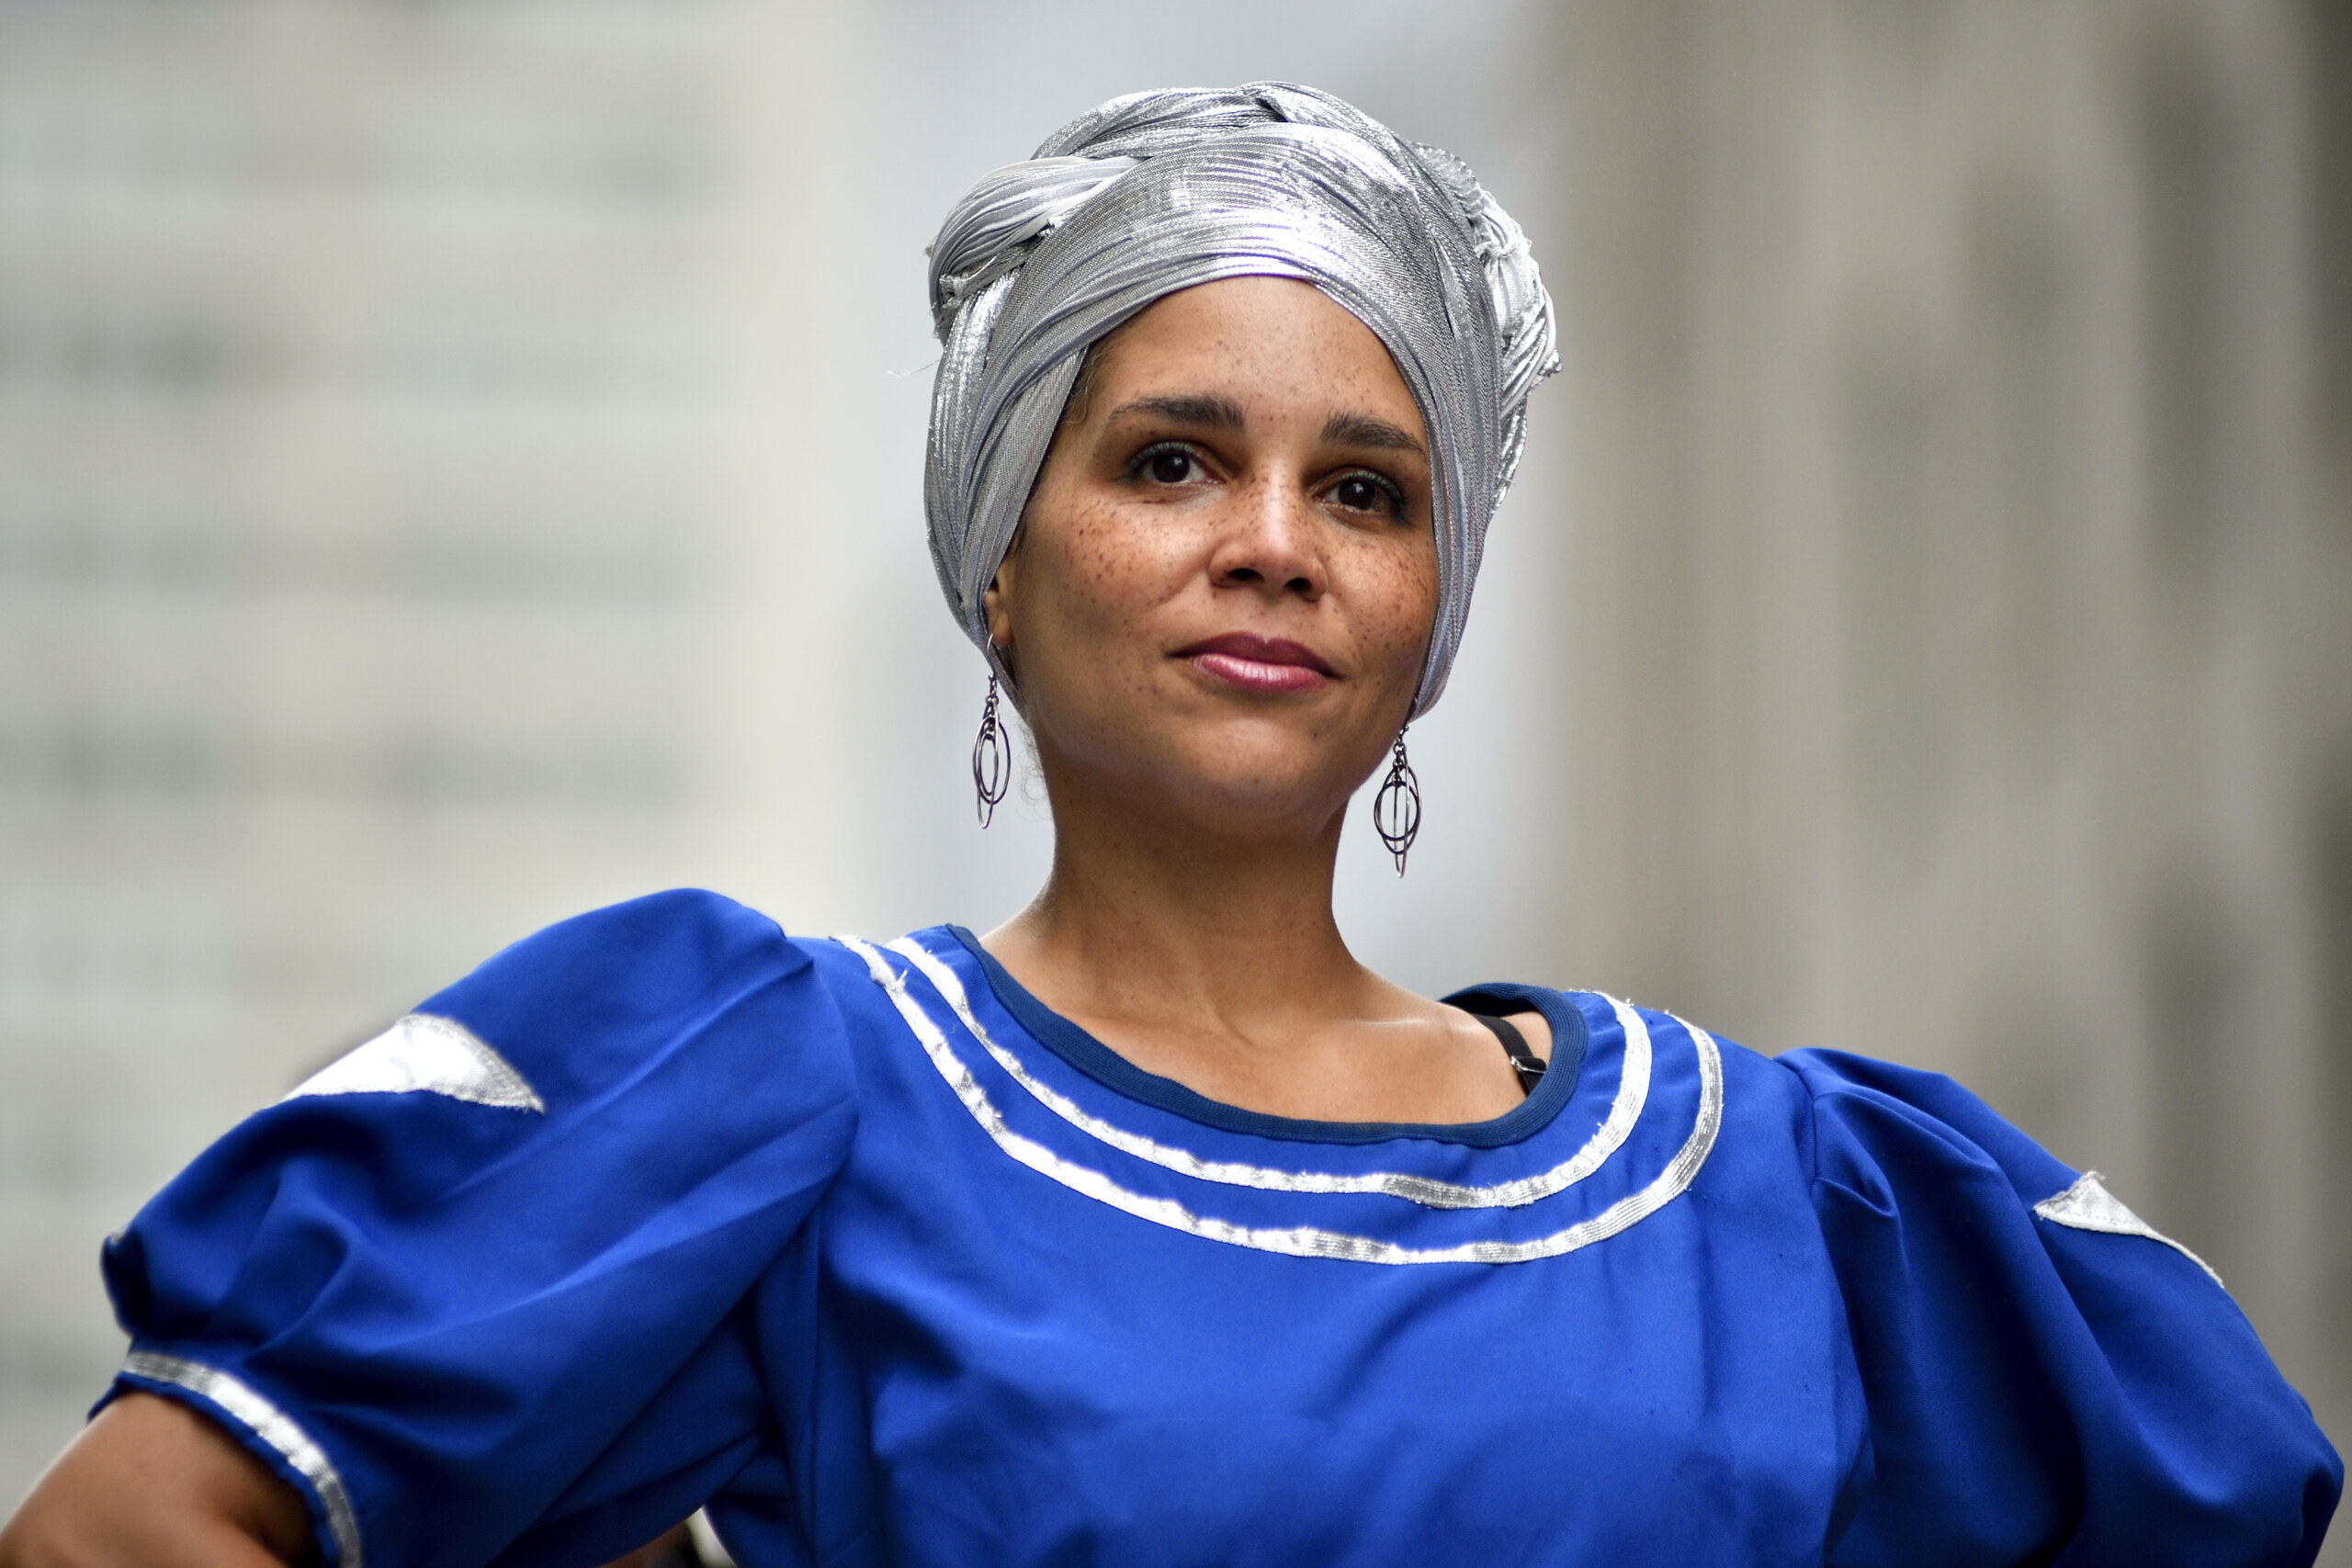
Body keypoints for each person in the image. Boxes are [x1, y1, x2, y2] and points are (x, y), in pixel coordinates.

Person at [0, 83, 2337, 1568]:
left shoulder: (1789, 1192)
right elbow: (136, 1521)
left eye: (1365, 488)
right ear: (998, 567)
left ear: (1434, 610)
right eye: (1167, 460)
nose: (1272, 539)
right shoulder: (781, 1081)